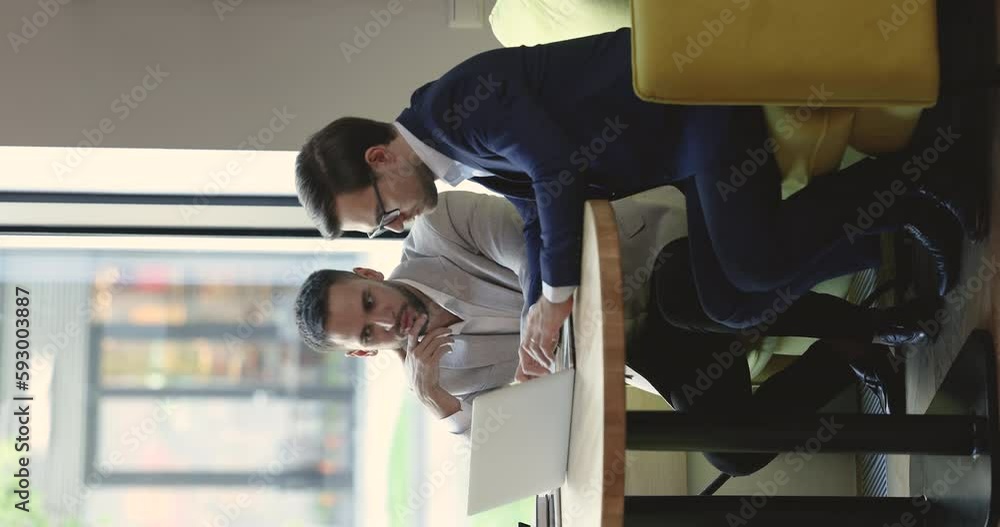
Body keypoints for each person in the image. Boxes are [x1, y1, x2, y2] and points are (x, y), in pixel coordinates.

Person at [295, 28, 972, 381]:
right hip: (677, 152)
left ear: (381, 158)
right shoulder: (450, 146)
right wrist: (537, 303)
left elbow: (555, 168)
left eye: (383, 213)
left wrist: (558, 294)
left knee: (753, 262)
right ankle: (899, 211)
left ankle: (918, 182)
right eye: (384, 229)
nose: (398, 224)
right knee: (727, 300)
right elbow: (536, 207)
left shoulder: (450, 109)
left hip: (690, 107)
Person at [294, 191, 937, 474]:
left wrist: (534, 358)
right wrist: (438, 401)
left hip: (653, 261)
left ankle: (875, 324)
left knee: (692, 299)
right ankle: (843, 353)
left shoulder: (438, 230)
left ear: (366, 270)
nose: (389, 322)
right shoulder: (442, 377)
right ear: (363, 351)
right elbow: (520, 444)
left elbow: (533, 254)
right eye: (372, 333)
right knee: (732, 451)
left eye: (371, 301)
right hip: (641, 349)